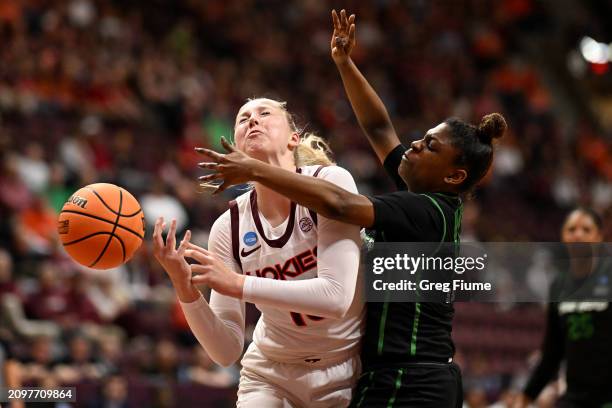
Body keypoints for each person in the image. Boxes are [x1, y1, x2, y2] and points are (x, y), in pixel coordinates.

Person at [195, 9, 507, 407]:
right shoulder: (417, 187)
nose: (413, 145)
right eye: (421, 137)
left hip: (413, 377)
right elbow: (379, 128)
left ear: (453, 177)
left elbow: (339, 204)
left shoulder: (432, 212)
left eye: (430, 146)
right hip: (381, 372)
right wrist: (344, 64)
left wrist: (254, 169)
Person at [153, 97, 365, 407]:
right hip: (269, 373)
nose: (253, 120)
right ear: (237, 151)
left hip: (343, 369)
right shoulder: (229, 227)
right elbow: (225, 351)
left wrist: (240, 284)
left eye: (265, 114)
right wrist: (184, 287)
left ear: (294, 139)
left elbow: (336, 297)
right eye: (243, 119)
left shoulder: (332, 182)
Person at [515, 207, 612, 408]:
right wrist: (526, 396)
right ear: (563, 236)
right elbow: (552, 350)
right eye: (571, 229)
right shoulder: (558, 285)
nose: (578, 234)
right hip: (575, 396)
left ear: (599, 237)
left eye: (586, 229)